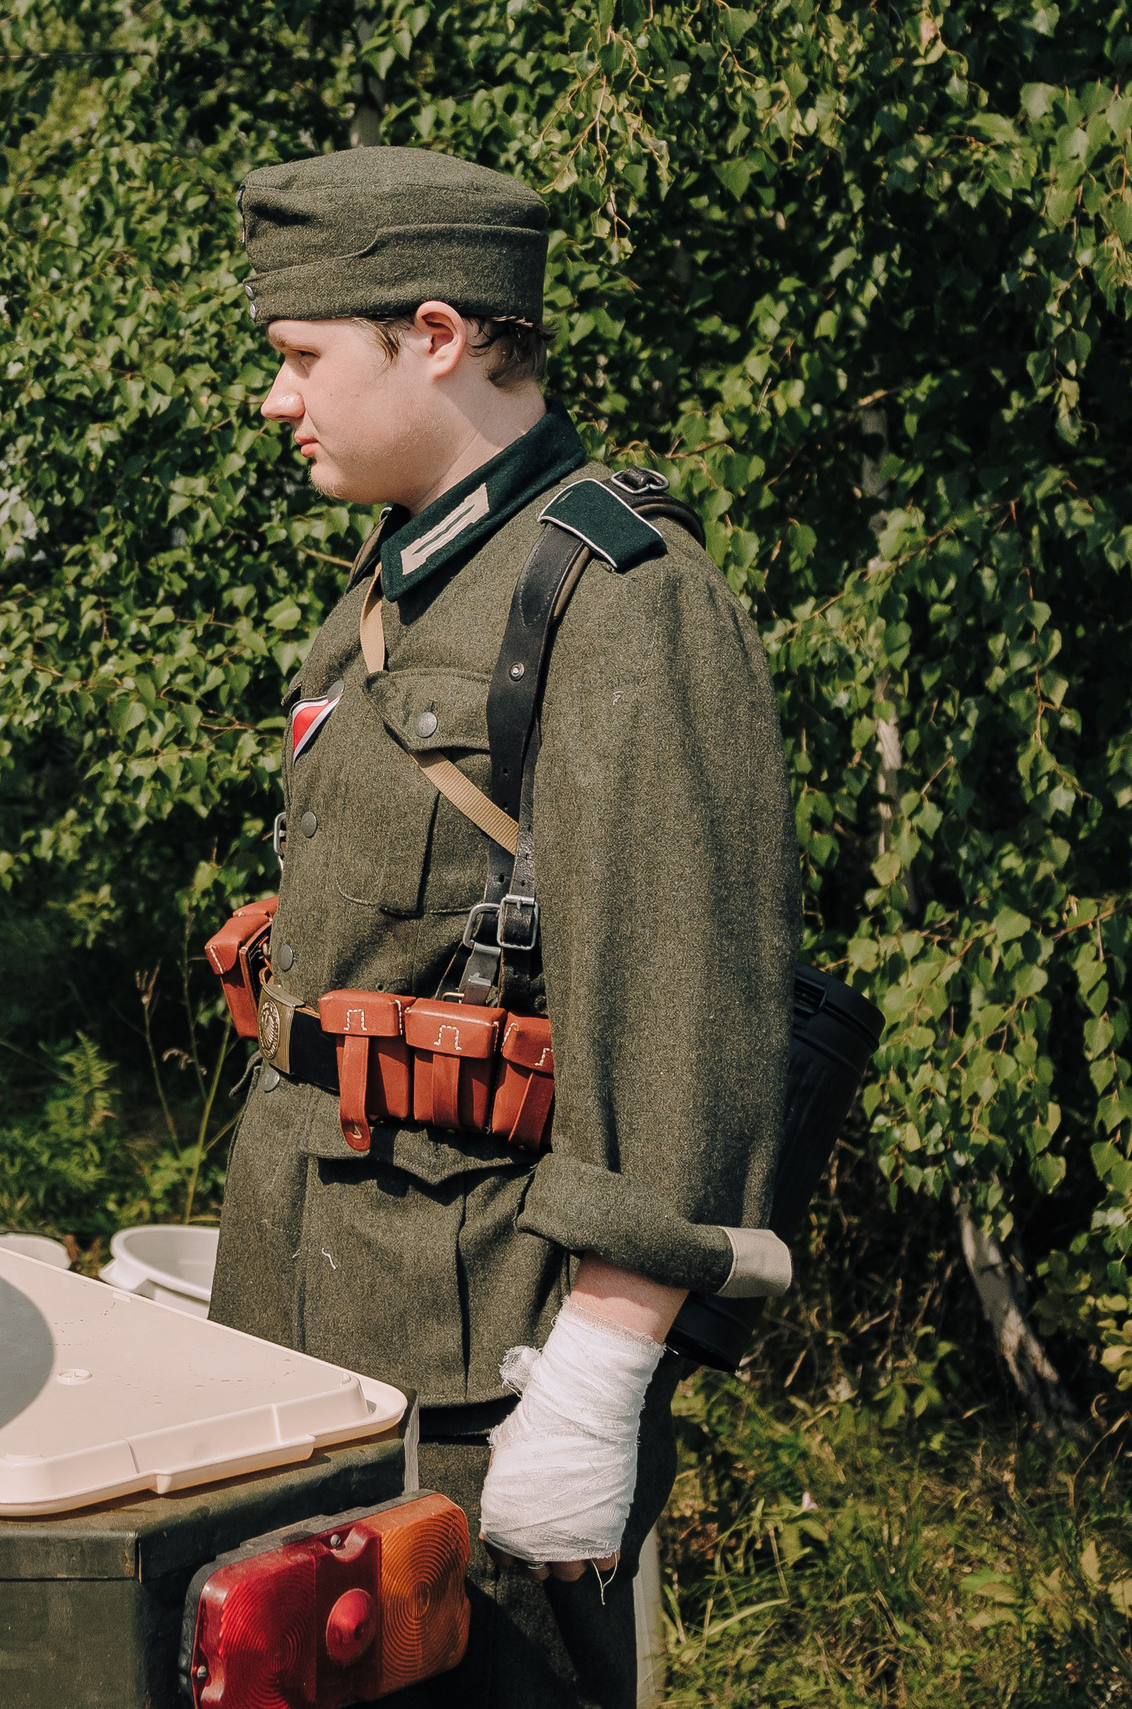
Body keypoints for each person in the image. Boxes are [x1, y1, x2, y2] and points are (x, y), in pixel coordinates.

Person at [209, 147, 798, 1707]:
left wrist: (597, 1382)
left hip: (479, 1369)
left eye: (302, 357)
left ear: (436, 335)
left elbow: (681, 1009)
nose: (276, 399)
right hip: (318, 1301)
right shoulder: (413, 576)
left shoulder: (620, 597)